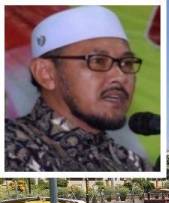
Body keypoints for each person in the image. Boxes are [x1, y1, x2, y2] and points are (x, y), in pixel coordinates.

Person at [5, 6, 150, 172]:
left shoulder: (131, 163)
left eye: (127, 63)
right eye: (98, 61)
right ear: (46, 74)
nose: (121, 76)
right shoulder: (10, 147)